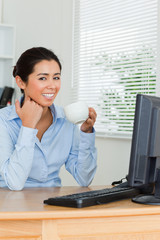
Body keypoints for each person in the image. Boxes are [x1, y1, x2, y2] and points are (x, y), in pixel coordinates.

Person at [0, 47, 97, 190]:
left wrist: (86, 133)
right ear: (21, 82)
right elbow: (14, 182)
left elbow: (84, 178)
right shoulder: (3, 121)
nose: (52, 86)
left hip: (51, 206)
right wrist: (28, 126)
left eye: (56, 77)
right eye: (42, 78)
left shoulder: (65, 119)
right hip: (10, 204)